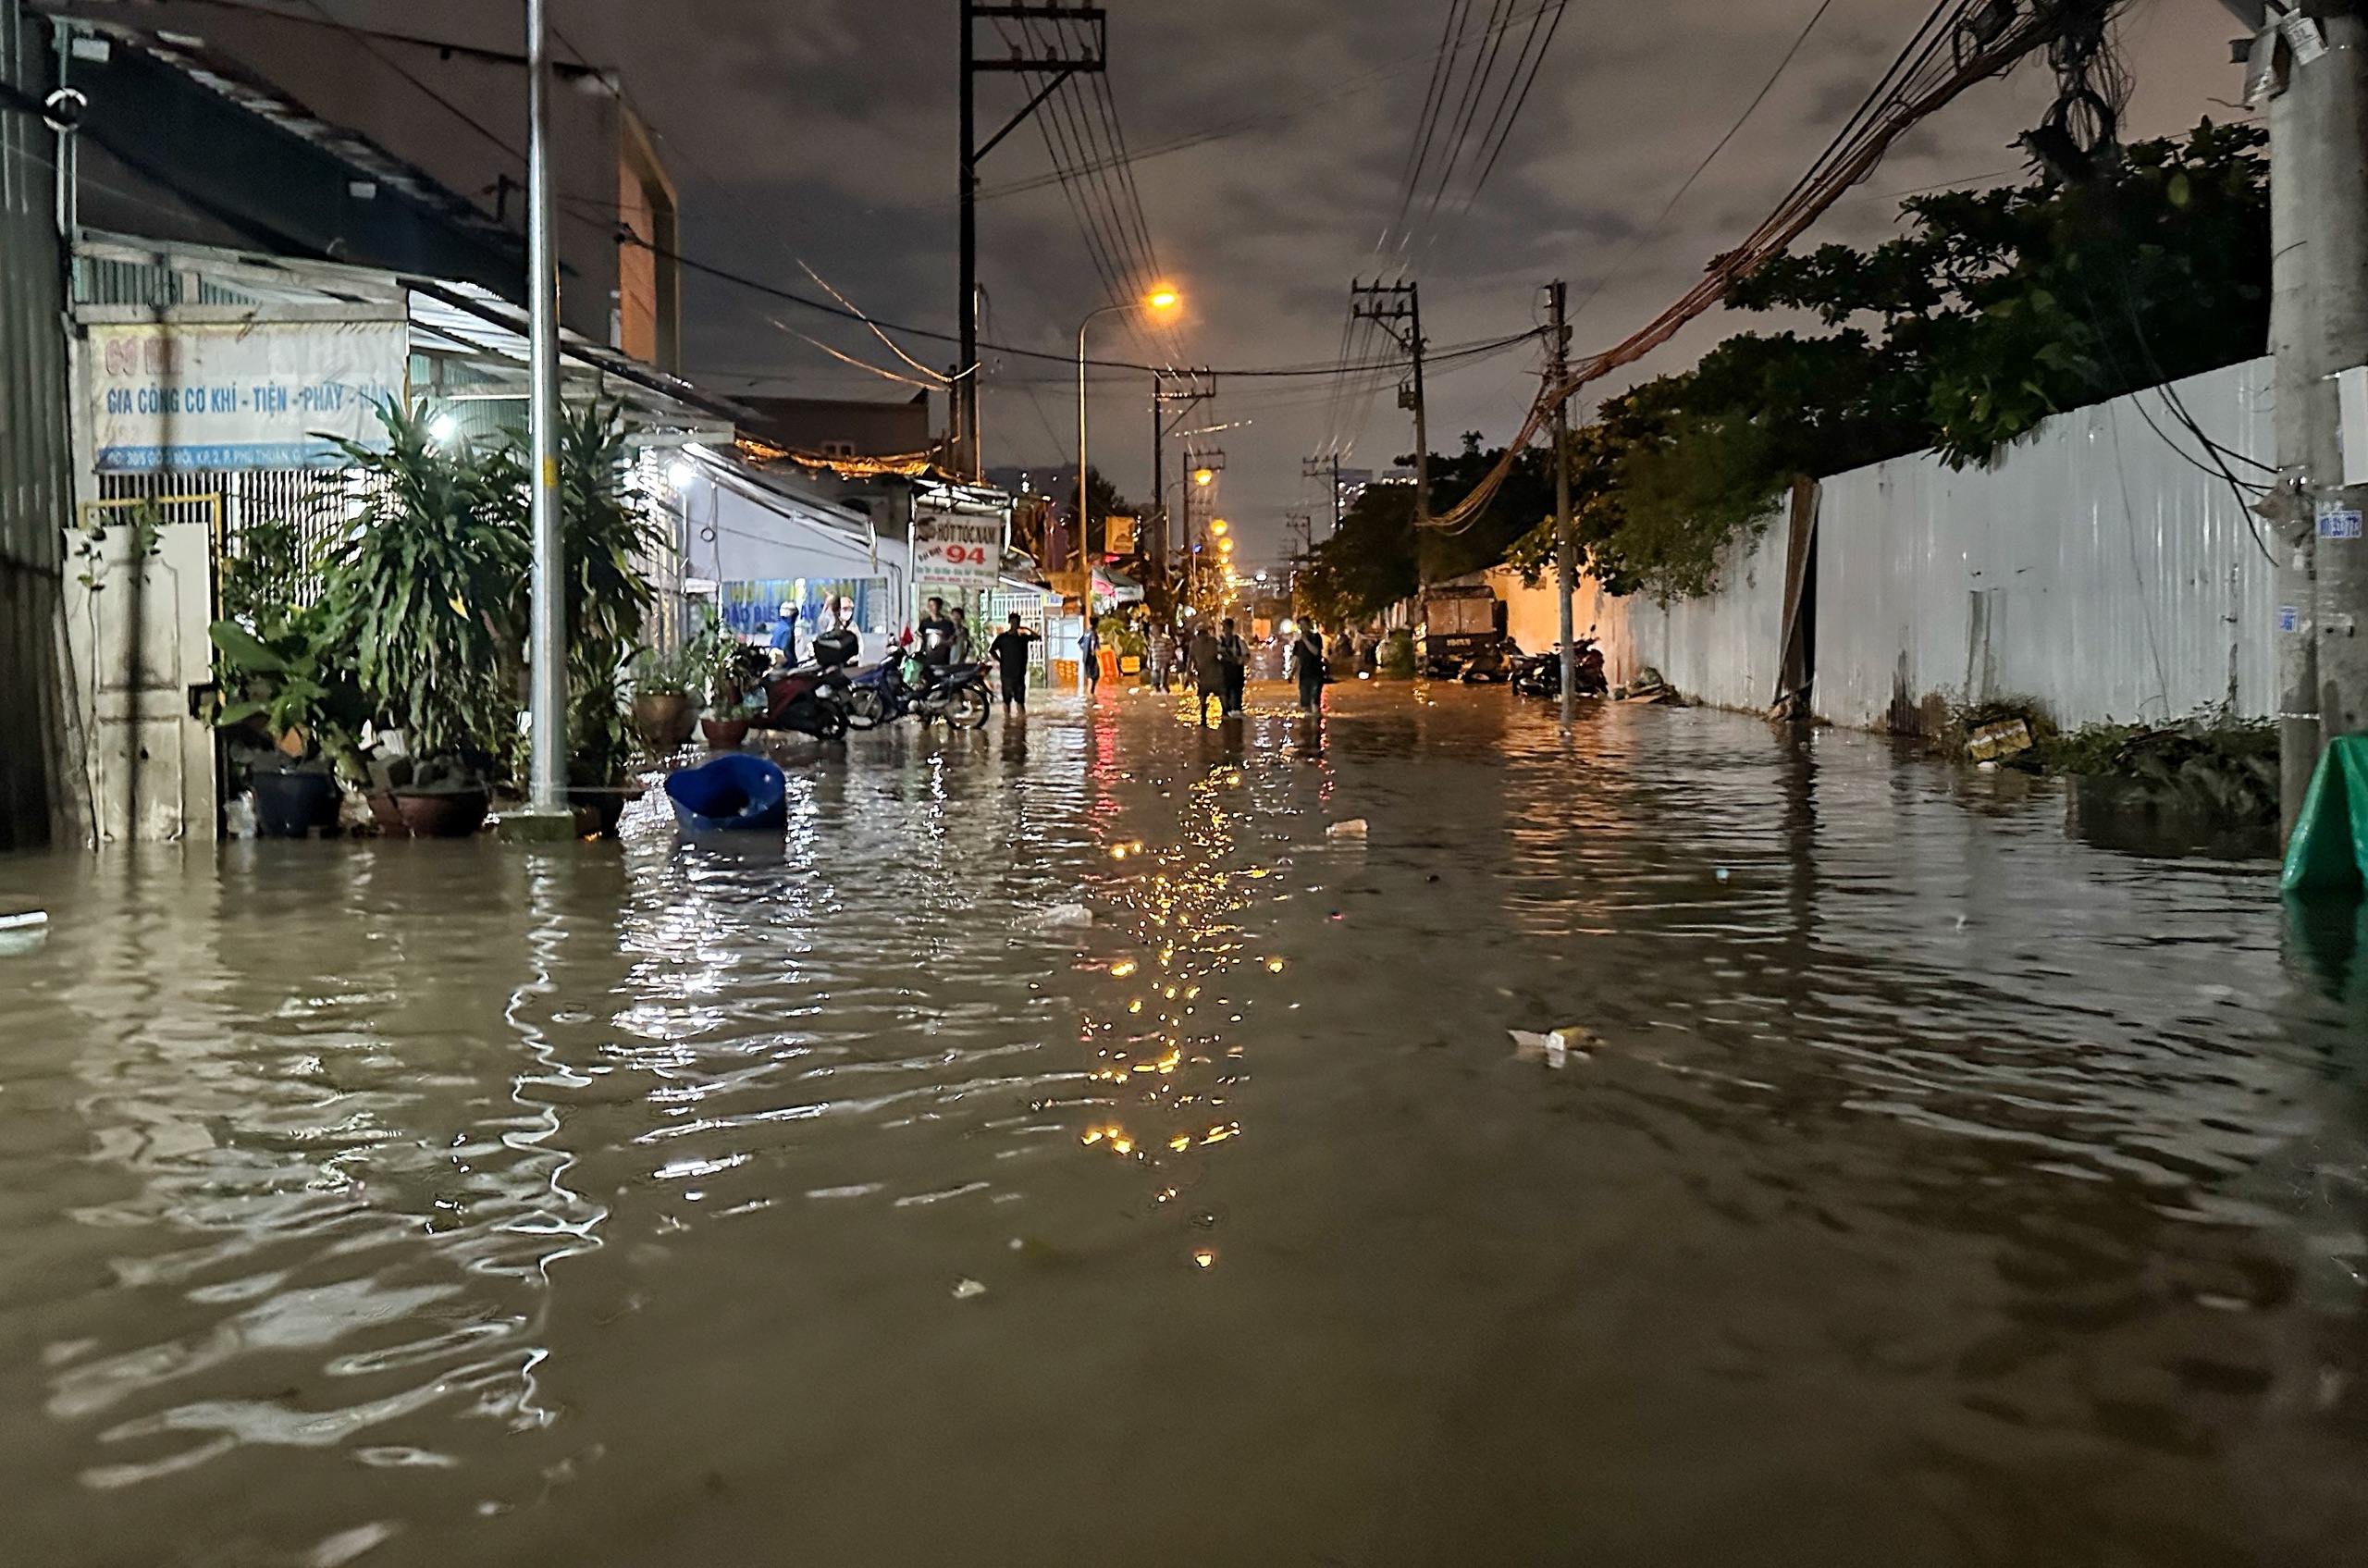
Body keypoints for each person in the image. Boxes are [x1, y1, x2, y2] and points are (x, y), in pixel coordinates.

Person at [988, 613, 1037, 714]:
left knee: (1020, 701)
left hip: (1019, 673)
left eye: (1017, 622)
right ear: (1010, 622)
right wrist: (1000, 660)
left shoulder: (1022, 638)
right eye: (1013, 622)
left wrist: (1027, 628)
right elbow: (991, 650)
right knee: (1006, 700)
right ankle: (1007, 721)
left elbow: (1037, 637)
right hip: (1006, 673)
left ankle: (1021, 723)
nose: (1015, 624)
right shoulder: (1003, 638)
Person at [1190, 624, 1224, 722]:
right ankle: (1203, 718)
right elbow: (1191, 659)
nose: (1202, 636)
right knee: (1202, 698)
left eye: (1203, 633)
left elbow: (1220, 654)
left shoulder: (1213, 642)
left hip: (1215, 674)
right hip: (1202, 675)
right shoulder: (1194, 644)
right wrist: (1189, 673)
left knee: (1221, 696)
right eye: (1200, 634)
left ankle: (1224, 715)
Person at [1216, 617, 1249, 714]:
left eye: (1226, 627)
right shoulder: (1219, 642)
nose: (1224, 630)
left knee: (1236, 701)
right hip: (1223, 675)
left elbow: (1246, 656)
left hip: (1236, 675)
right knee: (1225, 700)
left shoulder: (1239, 641)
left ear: (1231, 628)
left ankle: (1236, 724)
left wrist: (1237, 661)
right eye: (1223, 627)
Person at [1292, 623, 1326, 710]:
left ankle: (1316, 721)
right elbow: (1296, 658)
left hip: (1316, 673)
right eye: (1300, 625)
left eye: (1304, 624)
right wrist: (1292, 673)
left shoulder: (1316, 637)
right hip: (1304, 675)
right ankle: (1306, 722)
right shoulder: (1298, 642)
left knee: (1315, 702)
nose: (1303, 627)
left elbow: (1315, 652)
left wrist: (1305, 640)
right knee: (1305, 704)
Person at [917, 597, 957, 672]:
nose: (931, 608)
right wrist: (917, 653)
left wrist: (941, 642)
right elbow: (920, 639)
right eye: (929, 606)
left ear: (939, 607)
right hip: (927, 661)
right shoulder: (925, 623)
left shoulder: (946, 624)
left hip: (942, 662)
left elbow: (952, 641)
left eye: (933, 605)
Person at [769, 601, 798, 666]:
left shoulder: (779, 627)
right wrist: (794, 663)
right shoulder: (787, 630)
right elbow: (786, 651)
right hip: (782, 665)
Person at [1149, 627, 1174, 693]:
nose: (1153, 632)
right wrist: (1149, 660)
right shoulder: (1153, 641)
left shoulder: (1166, 639)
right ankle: (1157, 687)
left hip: (1164, 660)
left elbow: (1171, 649)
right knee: (1155, 674)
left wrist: (1169, 658)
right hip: (1156, 661)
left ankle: (1165, 687)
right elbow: (1151, 651)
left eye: (1154, 630)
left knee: (1164, 674)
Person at [1079, 620, 1102, 696]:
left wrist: (1085, 650)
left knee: (1089, 676)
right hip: (1091, 658)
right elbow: (1094, 647)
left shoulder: (1086, 632)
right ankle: (1090, 694)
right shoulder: (1093, 634)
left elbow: (1080, 643)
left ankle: (1089, 693)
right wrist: (1093, 653)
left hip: (1085, 657)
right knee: (1094, 675)